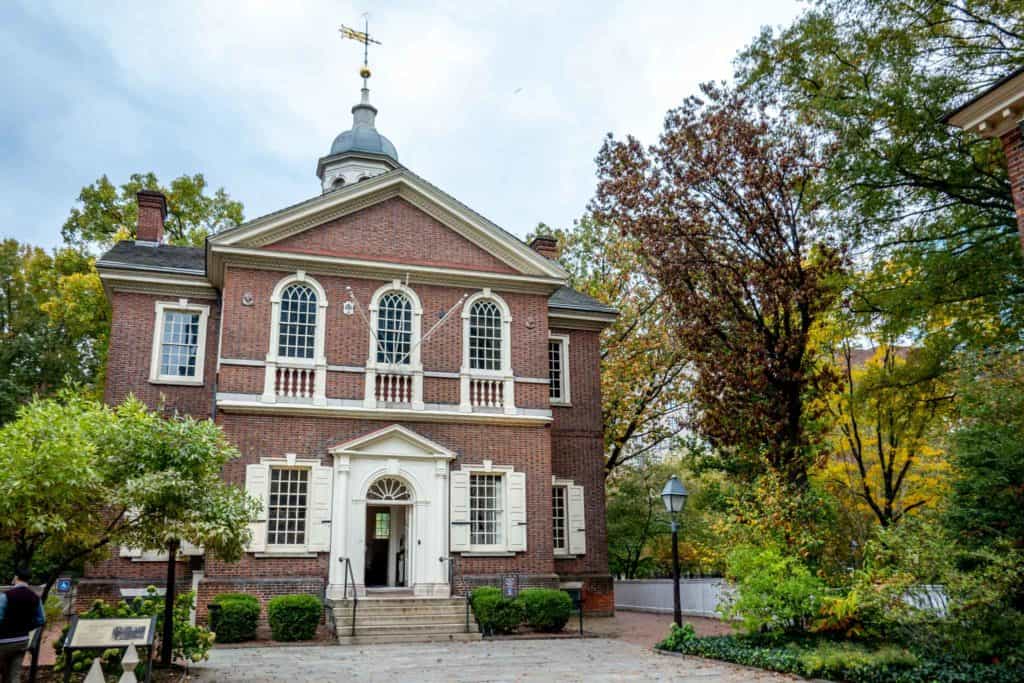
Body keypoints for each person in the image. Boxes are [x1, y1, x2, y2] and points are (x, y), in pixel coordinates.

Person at [0, 568, 45, 683]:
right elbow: (41, 619)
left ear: (16, 578)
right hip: (22, 640)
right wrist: (27, 627)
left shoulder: (5, 596)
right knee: (14, 676)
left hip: (3, 641)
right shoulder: (35, 598)